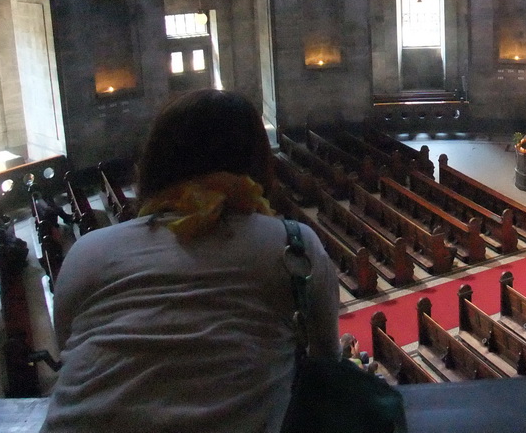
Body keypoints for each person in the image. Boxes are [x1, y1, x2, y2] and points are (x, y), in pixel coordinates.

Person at [42, 89, 339, 433]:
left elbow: (69, 348)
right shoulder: (292, 245)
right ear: (257, 159)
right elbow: (325, 362)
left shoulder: (88, 251)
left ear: (155, 160)